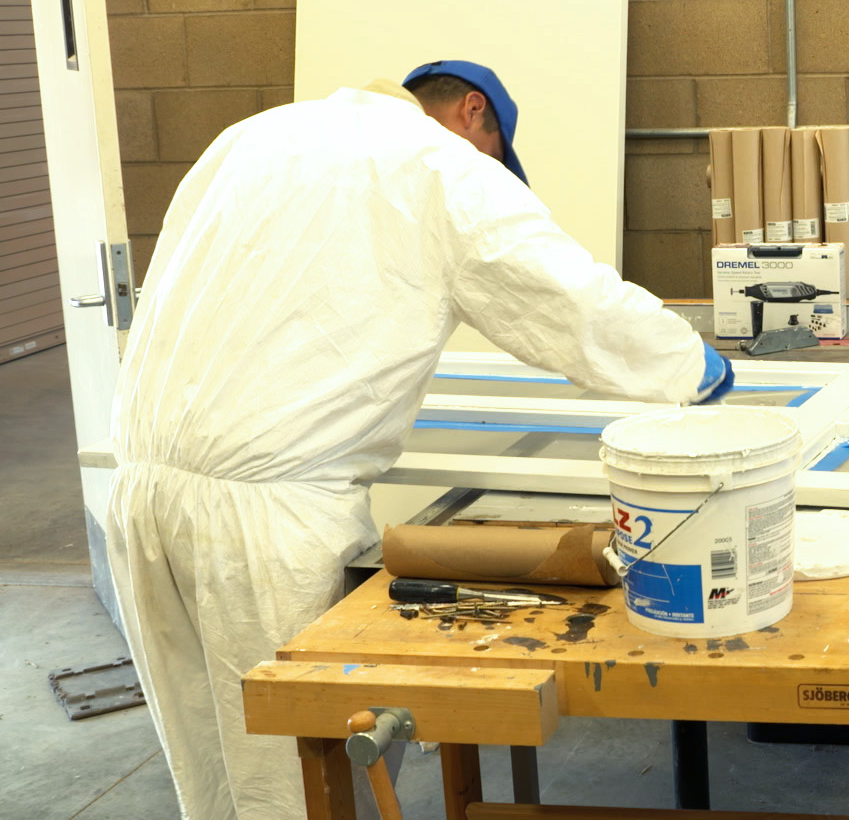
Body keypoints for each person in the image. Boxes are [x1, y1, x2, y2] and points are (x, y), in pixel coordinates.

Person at [107, 60, 733, 820]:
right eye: (498, 155)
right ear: (474, 114)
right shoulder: (440, 167)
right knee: (305, 780)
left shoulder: (250, 138)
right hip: (265, 523)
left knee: (209, 767)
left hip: (138, 491)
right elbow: (567, 298)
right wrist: (689, 366)